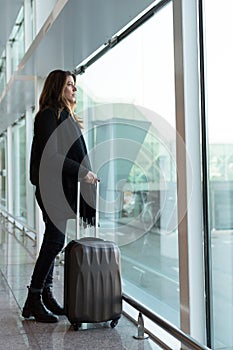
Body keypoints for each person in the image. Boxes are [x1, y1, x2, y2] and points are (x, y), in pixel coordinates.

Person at [22, 69, 99, 323]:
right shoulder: (47, 116)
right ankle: (34, 298)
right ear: (57, 88)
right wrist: (82, 172)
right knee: (55, 241)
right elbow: (50, 157)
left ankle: (45, 294)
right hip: (50, 187)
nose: (74, 89)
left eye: (74, 85)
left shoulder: (64, 116)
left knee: (54, 240)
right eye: (69, 84)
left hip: (60, 188)